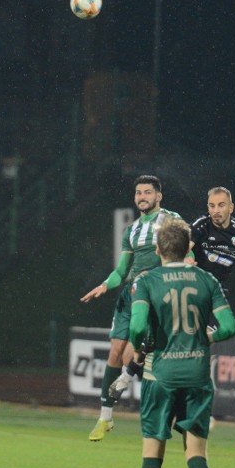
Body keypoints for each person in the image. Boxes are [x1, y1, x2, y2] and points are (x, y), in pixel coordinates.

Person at [112, 186, 235, 398]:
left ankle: (177, 384)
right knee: (155, 340)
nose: (215, 210)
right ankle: (129, 377)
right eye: (211, 206)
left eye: (221, 205)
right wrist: (187, 257)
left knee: (200, 339)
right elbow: (184, 246)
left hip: (214, 295)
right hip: (189, 289)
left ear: (231, 208)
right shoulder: (200, 226)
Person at [129, 218, 235, 468]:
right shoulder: (207, 280)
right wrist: (206, 337)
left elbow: (137, 327)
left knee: (153, 450)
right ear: (189, 247)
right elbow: (229, 326)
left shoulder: (146, 281)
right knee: (196, 450)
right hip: (197, 374)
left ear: (158, 249)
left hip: (159, 374)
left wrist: (143, 344)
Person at [80, 175, 186, 441]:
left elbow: (187, 249)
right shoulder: (132, 230)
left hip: (155, 293)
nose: (142, 197)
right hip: (130, 293)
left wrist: (188, 267)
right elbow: (121, 270)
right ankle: (105, 417)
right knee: (115, 352)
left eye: (147, 192)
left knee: (132, 355)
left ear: (158, 196)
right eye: (138, 192)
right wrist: (105, 285)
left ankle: (167, 406)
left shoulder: (172, 220)